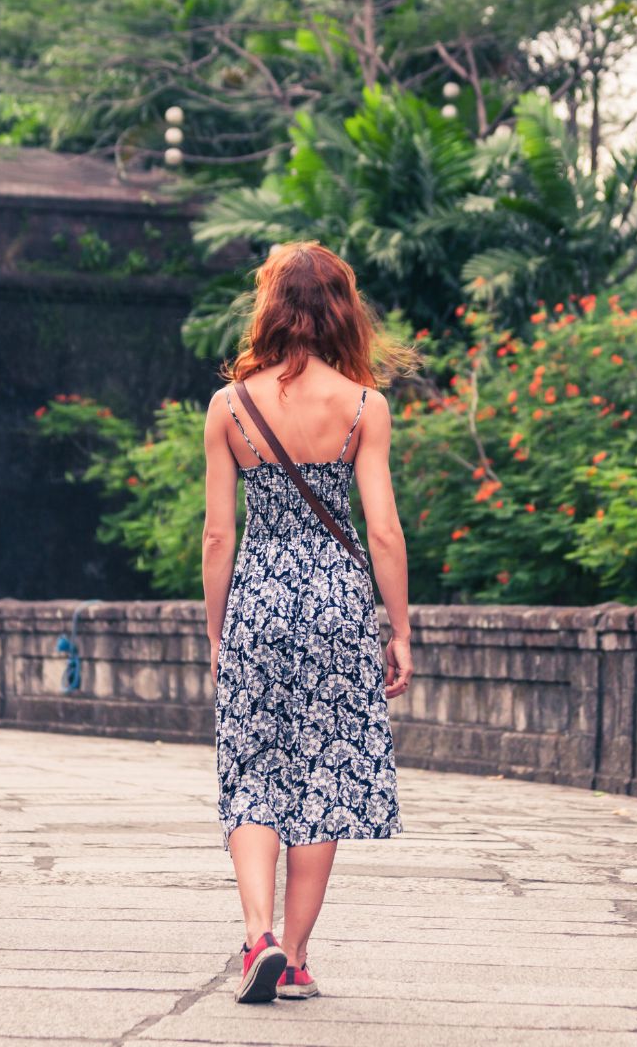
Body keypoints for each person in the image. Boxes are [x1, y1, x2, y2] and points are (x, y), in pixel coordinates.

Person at [201, 241, 418, 1004]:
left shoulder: (230, 407)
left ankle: (256, 932)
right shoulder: (364, 405)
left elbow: (218, 535)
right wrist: (399, 629)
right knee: (322, 773)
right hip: (337, 606)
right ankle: (292, 958)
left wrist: (219, 630)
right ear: (341, 312)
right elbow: (383, 528)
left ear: (270, 308)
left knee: (254, 769)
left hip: (259, 598)